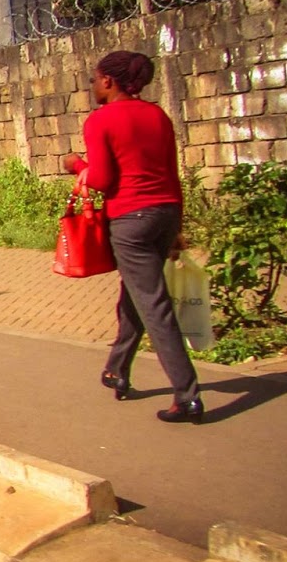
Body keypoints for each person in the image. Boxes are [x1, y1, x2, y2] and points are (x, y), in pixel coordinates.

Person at [61, 50, 203, 424]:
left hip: (131, 220)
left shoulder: (101, 120)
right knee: (136, 294)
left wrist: (76, 165)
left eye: (94, 79)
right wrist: (176, 228)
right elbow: (172, 173)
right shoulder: (157, 115)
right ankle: (117, 368)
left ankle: (187, 395)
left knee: (153, 304)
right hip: (166, 212)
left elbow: (104, 180)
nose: (92, 86)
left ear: (108, 81)